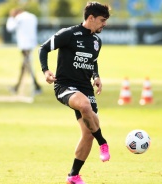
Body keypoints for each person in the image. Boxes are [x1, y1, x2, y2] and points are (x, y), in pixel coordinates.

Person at [39, 2, 111, 184]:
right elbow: (43, 48)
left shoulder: (96, 41)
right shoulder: (68, 34)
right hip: (65, 86)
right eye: (102, 20)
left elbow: (92, 60)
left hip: (86, 87)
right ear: (91, 18)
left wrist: (96, 76)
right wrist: (46, 71)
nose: (104, 24)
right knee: (85, 105)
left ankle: (73, 175)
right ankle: (103, 142)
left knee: (88, 133)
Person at [6, 8, 42, 94]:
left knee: (26, 66)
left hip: (25, 45)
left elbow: (9, 28)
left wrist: (11, 17)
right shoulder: (32, 16)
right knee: (26, 66)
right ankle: (19, 87)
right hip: (31, 44)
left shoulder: (19, 18)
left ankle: (36, 87)